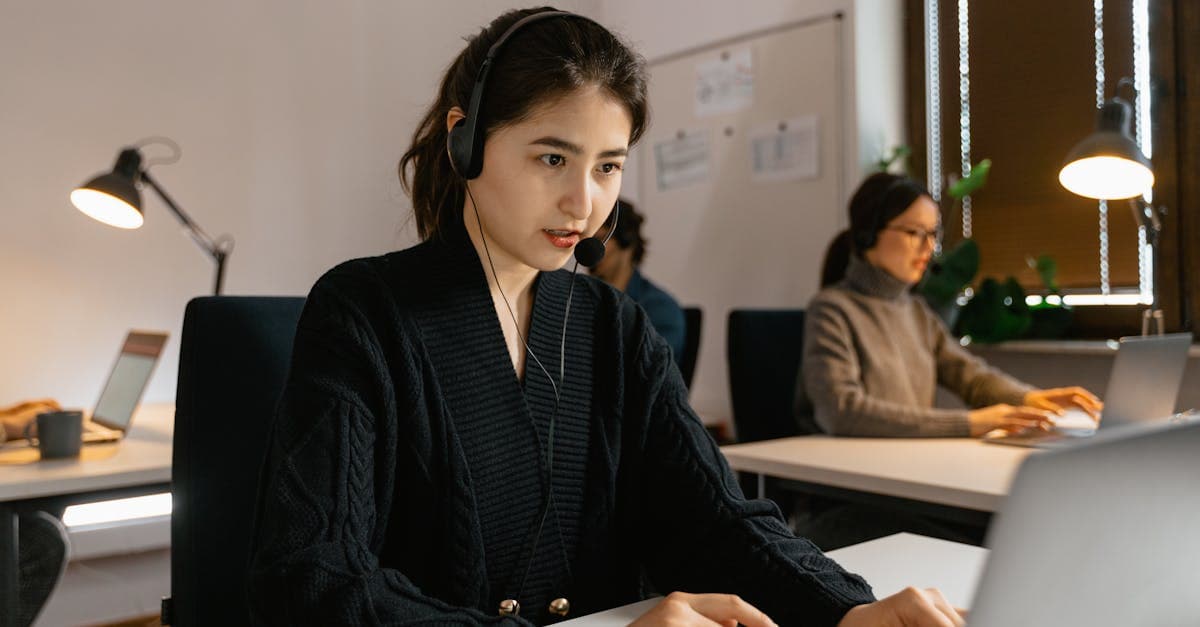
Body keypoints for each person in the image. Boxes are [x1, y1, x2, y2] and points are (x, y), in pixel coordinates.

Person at [248, 9, 967, 626]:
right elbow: (312, 581)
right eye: (553, 157)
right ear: (463, 139)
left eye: (607, 166)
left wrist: (842, 608)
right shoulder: (363, 313)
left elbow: (711, 519)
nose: (583, 203)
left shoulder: (612, 324)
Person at [797, 172, 1102, 438]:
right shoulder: (832, 310)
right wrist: (968, 423)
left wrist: (1030, 398)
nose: (928, 247)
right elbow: (841, 411)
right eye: (914, 232)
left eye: (933, 234)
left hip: (905, 467)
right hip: (853, 478)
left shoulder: (916, 312)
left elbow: (972, 379)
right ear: (868, 233)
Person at [589, 199, 686, 362]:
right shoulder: (582, 299)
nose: (591, 251)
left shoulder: (659, 308)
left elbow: (647, 372)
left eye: (599, 240)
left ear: (627, 243)